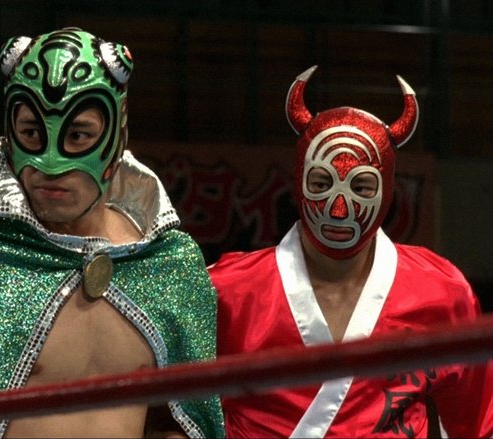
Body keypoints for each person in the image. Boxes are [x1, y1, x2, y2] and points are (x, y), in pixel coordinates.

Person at [0, 28, 223, 438]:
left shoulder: (169, 265)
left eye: (78, 135)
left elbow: (186, 421)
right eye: (32, 133)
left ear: (118, 132)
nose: (50, 164)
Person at [209, 65, 493, 438]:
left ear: (387, 191)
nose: (339, 209)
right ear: (298, 182)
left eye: (361, 187)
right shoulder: (227, 292)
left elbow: (477, 427)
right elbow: (172, 422)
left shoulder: (442, 292)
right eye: (321, 183)